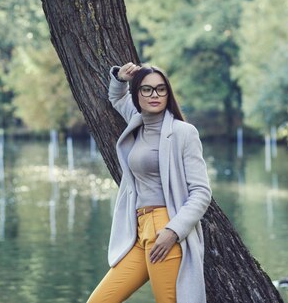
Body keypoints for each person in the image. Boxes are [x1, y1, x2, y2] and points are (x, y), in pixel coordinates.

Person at [87, 62, 212, 303]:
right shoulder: (138, 121)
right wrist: (120, 77)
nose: (154, 95)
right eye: (146, 89)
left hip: (165, 229)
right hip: (138, 232)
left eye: (160, 89)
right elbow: (117, 97)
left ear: (168, 94)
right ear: (137, 95)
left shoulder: (183, 132)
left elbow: (201, 192)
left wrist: (173, 231)